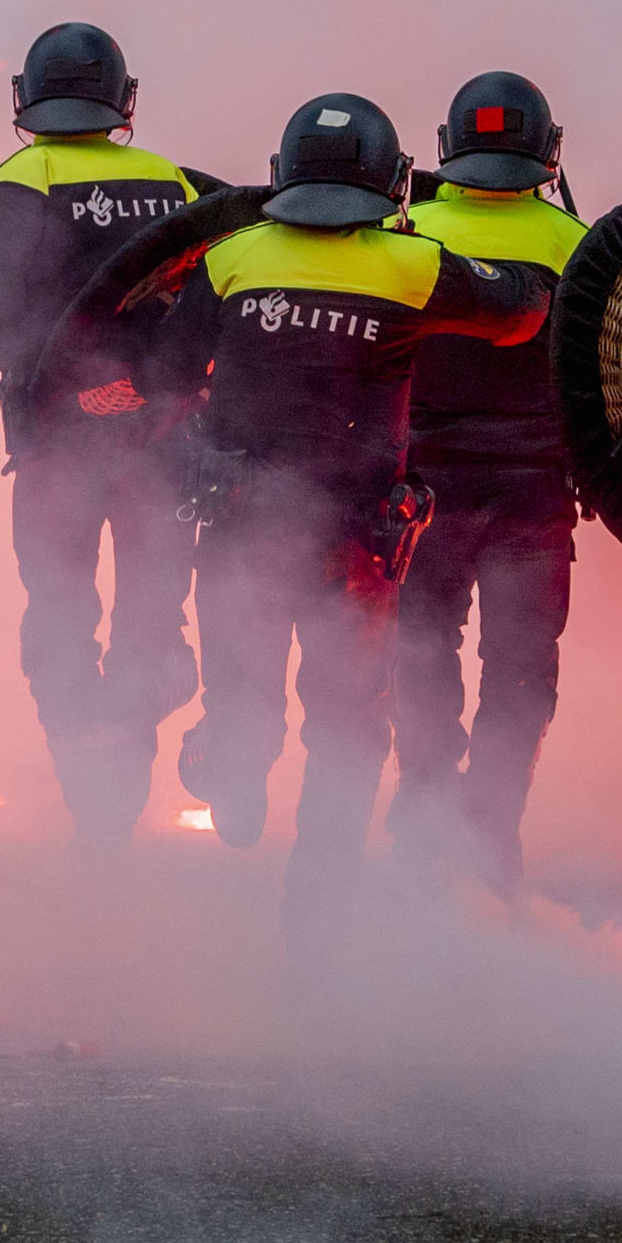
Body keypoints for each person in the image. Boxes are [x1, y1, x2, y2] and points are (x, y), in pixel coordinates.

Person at [146, 93, 542, 941]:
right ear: (388, 180)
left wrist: (199, 466)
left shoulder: (233, 258)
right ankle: (314, 922)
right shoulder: (413, 267)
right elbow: (521, 313)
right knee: (350, 733)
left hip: (240, 531)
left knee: (242, 697)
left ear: (284, 173)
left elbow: (160, 388)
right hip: (356, 545)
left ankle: (239, 769)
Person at [0, 23, 204, 849]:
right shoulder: (170, 181)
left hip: (58, 446)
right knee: (150, 615)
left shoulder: (23, 177)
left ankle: (85, 778)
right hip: (159, 444)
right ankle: (124, 787)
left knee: (61, 611)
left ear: (27, 98)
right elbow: (210, 303)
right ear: (122, 101)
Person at [389, 72, 589, 901]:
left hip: (424, 487)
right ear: (547, 152)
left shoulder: (403, 232)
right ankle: (492, 827)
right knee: (521, 669)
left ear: (449, 147)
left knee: (418, 645)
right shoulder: (578, 242)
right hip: (534, 495)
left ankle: (426, 805)